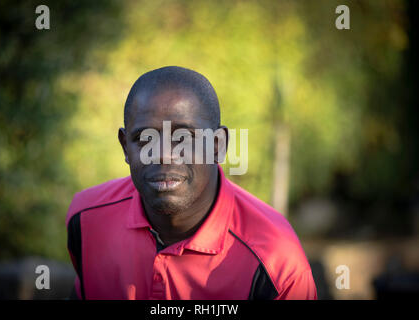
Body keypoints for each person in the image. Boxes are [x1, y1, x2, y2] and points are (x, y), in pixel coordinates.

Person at [66, 66, 317, 300]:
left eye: (184, 137)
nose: (164, 153)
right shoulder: (87, 219)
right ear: (125, 146)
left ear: (218, 145)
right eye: (145, 138)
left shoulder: (276, 260)